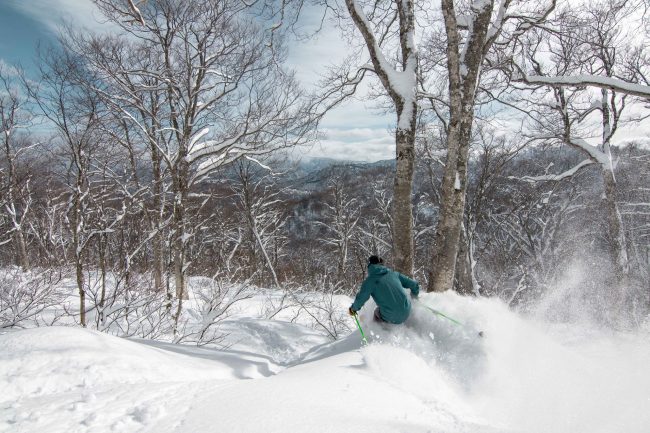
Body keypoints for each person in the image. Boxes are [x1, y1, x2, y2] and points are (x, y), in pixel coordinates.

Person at [348, 255, 420, 324]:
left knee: (376, 312)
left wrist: (353, 309)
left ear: (370, 265)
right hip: (407, 311)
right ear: (382, 264)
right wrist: (414, 295)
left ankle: (379, 332)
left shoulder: (370, 281)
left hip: (390, 316)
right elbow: (414, 284)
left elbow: (361, 298)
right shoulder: (394, 274)